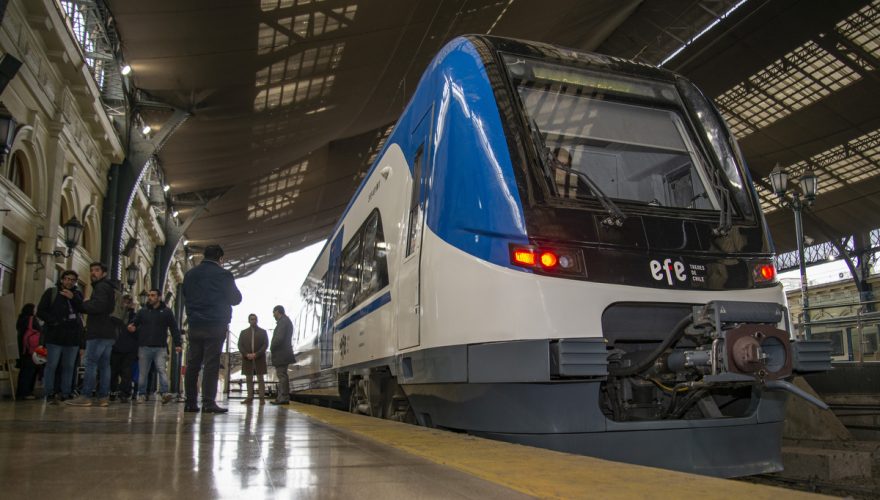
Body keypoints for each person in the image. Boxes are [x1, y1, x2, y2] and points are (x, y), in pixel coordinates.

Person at [182, 244, 242, 413]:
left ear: (203, 255)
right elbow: (235, 298)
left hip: (195, 325)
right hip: (215, 324)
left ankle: (190, 402)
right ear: (220, 258)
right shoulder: (224, 275)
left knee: (193, 364)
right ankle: (208, 402)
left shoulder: (190, 274)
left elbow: (185, 294)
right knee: (211, 363)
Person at [67, 262, 118, 407]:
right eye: (91, 270)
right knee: (104, 365)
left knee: (90, 363)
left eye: (96, 270)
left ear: (104, 273)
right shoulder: (109, 288)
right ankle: (103, 397)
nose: (93, 273)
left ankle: (86, 396)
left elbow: (98, 306)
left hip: (98, 332)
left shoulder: (101, 287)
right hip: (108, 332)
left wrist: (82, 303)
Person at [36, 270, 84, 404]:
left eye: (72, 280)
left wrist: (73, 298)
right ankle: (49, 391)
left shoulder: (78, 295)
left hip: (72, 338)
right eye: (67, 279)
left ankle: (66, 392)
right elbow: (41, 311)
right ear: (62, 280)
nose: (69, 282)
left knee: (69, 366)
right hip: (55, 337)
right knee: (52, 365)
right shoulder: (51, 293)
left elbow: (82, 310)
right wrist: (54, 322)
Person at [129, 289, 182, 404]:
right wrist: (132, 326)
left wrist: (178, 344)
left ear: (159, 297)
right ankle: (141, 394)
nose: (150, 297)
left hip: (160, 347)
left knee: (161, 370)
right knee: (143, 372)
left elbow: (174, 328)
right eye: (149, 295)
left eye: (152, 295)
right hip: (144, 347)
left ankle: (164, 393)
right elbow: (135, 322)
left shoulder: (167, 312)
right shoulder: (143, 311)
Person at [109, 294, 138, 402]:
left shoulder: (134, 316)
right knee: (114, 371)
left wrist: (130, 312)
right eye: (125, 301)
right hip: (116, 347)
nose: (126, 304)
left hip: (129, 348)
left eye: (129, 302)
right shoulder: (115, 315)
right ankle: (113, 391)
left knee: (126, 372)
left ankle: (124, 393)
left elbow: (137, 330)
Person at [237, 314, 268, 405]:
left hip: (259, 358)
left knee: (260, 378)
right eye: (251, 319)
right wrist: (246, 354)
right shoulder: (243, 332)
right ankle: (249, 397)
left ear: (257, 320)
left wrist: (257, 354)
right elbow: (240, 345)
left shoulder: (263, 332)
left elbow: (265, 345)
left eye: (254, 319)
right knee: (248, 378)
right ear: (249, 321)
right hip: (247, 359)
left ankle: (261, 398)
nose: (253, 321)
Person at [15, 303, 41, 399]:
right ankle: (27, 392)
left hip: (23, 348)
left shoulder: (21, 319)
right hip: (31, 349)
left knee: (23, 371)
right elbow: (39, 330)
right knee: (30, 371)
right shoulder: (31, 319)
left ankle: (21, 391)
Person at [269, 305, 294, 405]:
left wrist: (272, 347)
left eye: (273, 312)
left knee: (282, 375)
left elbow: (279, 338)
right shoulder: (285, 321)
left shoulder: (283, 322)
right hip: (283, 352)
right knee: (282, 375)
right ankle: (282, 397)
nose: (273, 315)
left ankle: (283, 397)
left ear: (278, 311)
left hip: (281, 353)